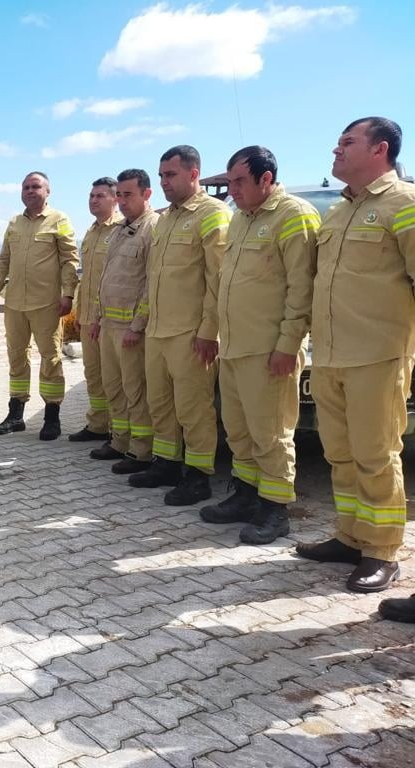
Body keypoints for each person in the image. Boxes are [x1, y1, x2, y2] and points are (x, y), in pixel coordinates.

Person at [297, 117, 415, 593]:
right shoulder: (339, 212)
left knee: (375, 455)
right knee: (340, 455)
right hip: (329, 355)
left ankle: (382, 552)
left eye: (348, 142)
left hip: (377, 356)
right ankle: (350, 535)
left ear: (379, 149)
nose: (337, 149)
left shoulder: (404, 204)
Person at [201, 146, 318, 545]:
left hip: (269, 351)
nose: (232, 191)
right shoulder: (240, 220)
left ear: (266, 179)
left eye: (239, 182)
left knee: (271, 433)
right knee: (239, 432)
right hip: (234, 348)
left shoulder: (293, 215)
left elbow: (302, 289)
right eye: (229, 182)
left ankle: (275, 509)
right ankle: (246, 496)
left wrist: (288, 345)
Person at [128, 146, 230, 505]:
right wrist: (142, 322)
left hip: (190, 334)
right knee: (161, 404)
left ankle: (198, 475)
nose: (164, 182)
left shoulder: (212, 214)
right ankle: (167, 463)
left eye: (170, 175)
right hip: (159, 330)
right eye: (161, 176)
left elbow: (218, 280)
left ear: (194, 173)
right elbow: (152, 278)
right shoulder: (165, 219)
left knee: (194, 408)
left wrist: (209, 331)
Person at [0, 172, 79, 440]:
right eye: (26, 187)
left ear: (47, 191)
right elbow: (3, 259)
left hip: (47, 304)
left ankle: (52, 417)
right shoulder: (14, 223)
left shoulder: (59, 220)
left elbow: (69, 260)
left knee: (50, 358)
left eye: (35, 186)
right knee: (16, 356)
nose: (29, 191)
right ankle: (16, 415)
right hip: (15, 303)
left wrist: (69, 295)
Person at [88, 169, 158, 475]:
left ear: (146, 194)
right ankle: (119, 441)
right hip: (109, 327)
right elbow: (107, 279)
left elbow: (149, 283)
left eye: (128, 194)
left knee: (135, 392)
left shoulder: (152, 229)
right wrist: (98, 319)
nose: (122, 200)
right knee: (114, 388)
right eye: (120, 195)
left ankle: (141, 450)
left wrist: (137, 325)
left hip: (131, 330)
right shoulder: (119, 230)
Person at [68, 178, 122, 443]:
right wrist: (79, 312)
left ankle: (118, 430)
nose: (93, 200)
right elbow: (86, 276)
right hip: (89, 317)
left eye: (100, 196)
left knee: (115, 378)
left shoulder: (121, 230)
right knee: (93, 374)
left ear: (115, 199)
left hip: (111, 319)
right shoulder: (90, 232)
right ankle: (97, 424)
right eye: (91, 195)